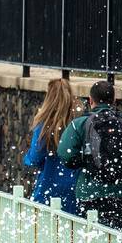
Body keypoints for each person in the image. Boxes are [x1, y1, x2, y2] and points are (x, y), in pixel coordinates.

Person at [57, 79, 122, 229]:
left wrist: (88, 162)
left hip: (90, 192)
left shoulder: (79, 125)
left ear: (90, 100)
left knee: (93, 238)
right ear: (114, 100)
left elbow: (66, 155)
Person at [21, 77, 80, 215]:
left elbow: (34, 158)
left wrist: (27, 158)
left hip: (49, 187)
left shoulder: (44, 126)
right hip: (73, 189)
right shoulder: (78, 124)